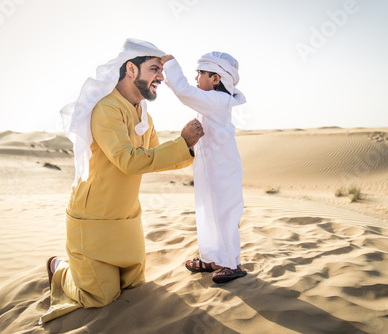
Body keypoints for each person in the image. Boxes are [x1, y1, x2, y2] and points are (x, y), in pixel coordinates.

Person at [40, 38, 204, 324]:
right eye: (154, 68)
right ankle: (61, 268)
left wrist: (189, 149)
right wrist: (180, 143)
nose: (161, 77)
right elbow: (129, 160)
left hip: (127, 220)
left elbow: (153, 157)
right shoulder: (106, 109)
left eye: (161, 71)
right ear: (131, 69)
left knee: (134, 286)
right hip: (93, 220)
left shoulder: (144, 116)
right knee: (99, 297)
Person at [161, 51, 247, 283]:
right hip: (208, 170)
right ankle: (212, 259)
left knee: (224, 214)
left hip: (223, 170)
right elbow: (185, 92)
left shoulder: (217, 101)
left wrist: (169, 64)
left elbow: (184, 92)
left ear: (216, 79)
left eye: (201, 73)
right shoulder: (210, 101)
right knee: (207, 212)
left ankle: (232, 263)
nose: (196, 77)